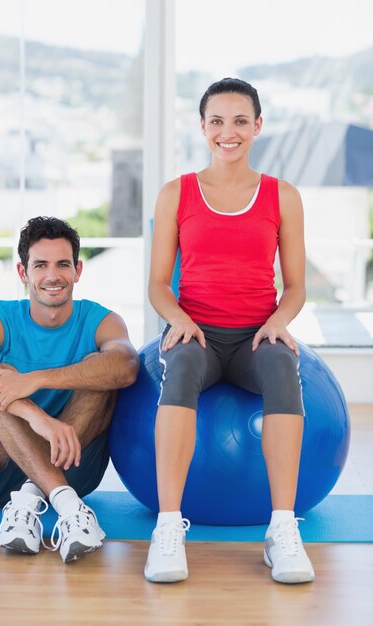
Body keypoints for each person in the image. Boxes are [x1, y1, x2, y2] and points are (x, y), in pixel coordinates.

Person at [145, 77, 314, 585]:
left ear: (258, 126)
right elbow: (157, 285)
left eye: (240, 121)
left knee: (284, 369)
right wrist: (178, 319)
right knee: (178, 376)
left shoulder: (283, 196)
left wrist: (278, 324)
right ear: (202, 127)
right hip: (196, 333)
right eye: (217, 121)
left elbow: (298, 286)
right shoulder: (176, 193)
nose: (228, 131)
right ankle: (168, 528)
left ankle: (282, 530)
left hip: (255, 337)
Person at [0, 216, 139, 563]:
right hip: (1, 468)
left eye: (62, 264)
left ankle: (28, 501)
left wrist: (37, 378)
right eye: (40, 265)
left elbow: (127, 366)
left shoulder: (102, 320)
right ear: (23, 273)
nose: (52, 275)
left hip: (69, 456)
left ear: (78, 270)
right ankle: (65, 504)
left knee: (99, 372)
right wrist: (35, 415)